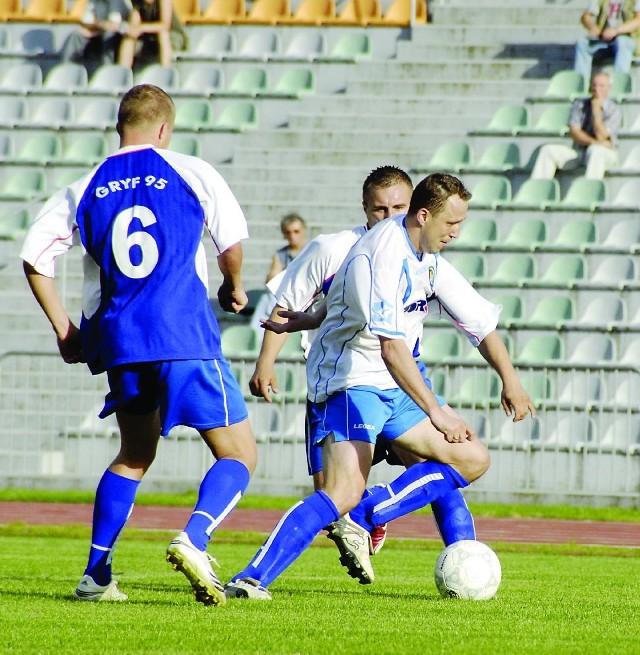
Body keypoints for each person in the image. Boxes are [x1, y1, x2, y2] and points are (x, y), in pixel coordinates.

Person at [224, 173, 535, 601]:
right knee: (340, 491)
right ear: (423, 215)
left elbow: (479, 323)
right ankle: (250, 579)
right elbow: (391, 347)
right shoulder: (381, 252)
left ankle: (368, 514)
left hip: (394, 383)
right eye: (451, 224)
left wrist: (511, 380)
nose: (456, 233)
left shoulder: (425, 254)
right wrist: (438, 412)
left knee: (472, 458)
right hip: (351, 382)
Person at [19, 84, 257, 606]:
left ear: (118, 125)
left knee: (133, 453)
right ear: (165, 128)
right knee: (239, 453)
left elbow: (35, 257)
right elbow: (231, 243)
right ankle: (194, 539)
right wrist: (233, 286)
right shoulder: (190, 170)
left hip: (121, 340)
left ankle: (95, 575)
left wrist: (64, 328)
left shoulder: (84, 186)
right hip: (182, 333)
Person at [249, 166, 481, 563]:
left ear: (417, 209)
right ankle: (352, 522)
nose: (388, 216)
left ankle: (465, 560)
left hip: (402, 383)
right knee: (335, 498)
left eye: (398, 207)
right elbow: (288, 306)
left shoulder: (422, 254)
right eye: (379, 208)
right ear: (364, 208)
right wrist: (265, 363)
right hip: (345, 381)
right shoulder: (334, 249)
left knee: (438, 466)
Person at [530, 71, 622, 180]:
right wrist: (594, 142)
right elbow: (574, 132)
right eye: (594, 85)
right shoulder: (579, 105)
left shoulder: (615, 110)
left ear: (608, 88)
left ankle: (589, 192)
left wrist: (596, 110)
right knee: (548, 150)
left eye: (601, 86)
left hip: (606, 153)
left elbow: (601, 135)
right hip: (579, 151)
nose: (596, 89)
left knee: (595, 151)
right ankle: (539, 187)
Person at [574, 1, 640, 84]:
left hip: (629, 40)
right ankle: (580, 84)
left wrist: (616, 31)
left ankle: (619, 84)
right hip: (604, 41)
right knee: (582, 43)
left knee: (623, 41)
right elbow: (585, 16)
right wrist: (592, 27)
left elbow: (638, 20)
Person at [118, 0, 188, 69]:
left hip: (172, 36)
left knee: (162, 33)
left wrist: (141, 28)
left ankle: (165, 72)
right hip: (150, 37)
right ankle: (123, 73)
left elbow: (165, 25)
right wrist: (130, 29)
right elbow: (134, 24)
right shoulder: (137, 2)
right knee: (129, 37)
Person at [58, 0, 132, 66]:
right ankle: (66, 67)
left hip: (119, 35)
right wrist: (97, 27)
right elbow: (88, 21)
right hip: (98, 32)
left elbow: (114, 25)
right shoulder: (94, 1)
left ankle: (107, 68)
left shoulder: (120, 2)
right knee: (75, 35)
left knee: (109, 35)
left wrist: (98, 25)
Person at [265, 212, 308, 283]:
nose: (292, 236)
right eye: (288, 232)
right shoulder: (280, 255)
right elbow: (273, 280)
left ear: (303, 230)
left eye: (296, 231)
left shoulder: (314, 250)